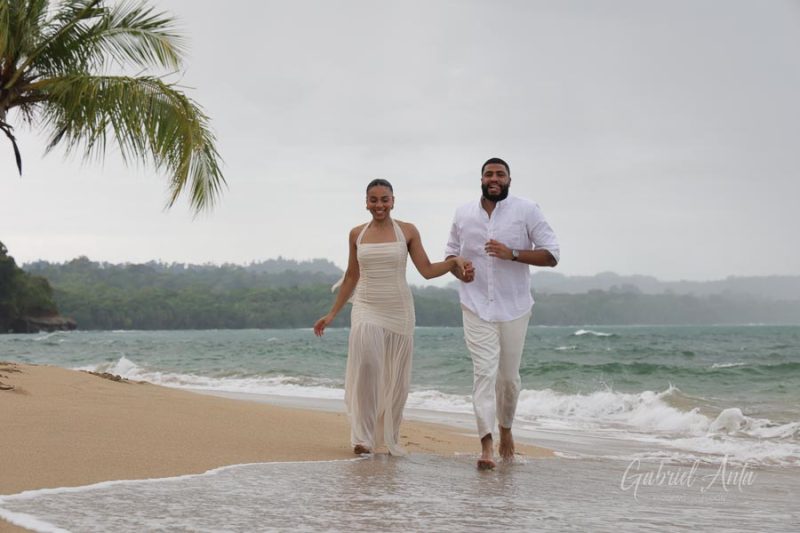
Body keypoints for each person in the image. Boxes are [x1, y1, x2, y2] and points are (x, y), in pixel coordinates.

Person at [314, 178, 468, 457]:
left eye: (384, 199)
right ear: (366, 202)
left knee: (396, 379)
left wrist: (453, 262)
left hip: (399, 310)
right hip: (366, 306)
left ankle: (386, 434)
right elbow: (351, 276)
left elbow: (427, 270)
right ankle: (362, 437)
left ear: (393, 201)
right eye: (373, 200)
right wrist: (332, 313)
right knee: (368, 367)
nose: (379, 205)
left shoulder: (407, 231)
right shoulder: (356, 234)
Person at [445, 157, 560, 470]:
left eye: (500, 174)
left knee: (508, 380)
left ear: (509, 179)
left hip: (514, 307)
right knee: (484, 373)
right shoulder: (463, 213)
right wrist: (461, 271)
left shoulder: (527, 210)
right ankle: (486, 444)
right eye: (488, 174)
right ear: (480, 178)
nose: (493, 178)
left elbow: (552, 255)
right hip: (475, 304)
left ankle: (506, 430)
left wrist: (513, 254)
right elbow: (451, 254)